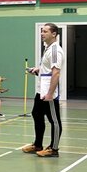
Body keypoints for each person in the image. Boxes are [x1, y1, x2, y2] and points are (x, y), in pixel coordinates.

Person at [22, 23, 64, 158]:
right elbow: (47, 68)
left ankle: (53, 149)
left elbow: (56, 73)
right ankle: (37, 144)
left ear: (54, 34)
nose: (42, 33)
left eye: (45, 31)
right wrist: (37, 70)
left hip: (49, 92)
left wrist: (50, 94)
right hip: (41, 90)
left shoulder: (55, 51)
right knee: (36, 114)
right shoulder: (48, 48)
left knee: (54, 121)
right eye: (42, 31)